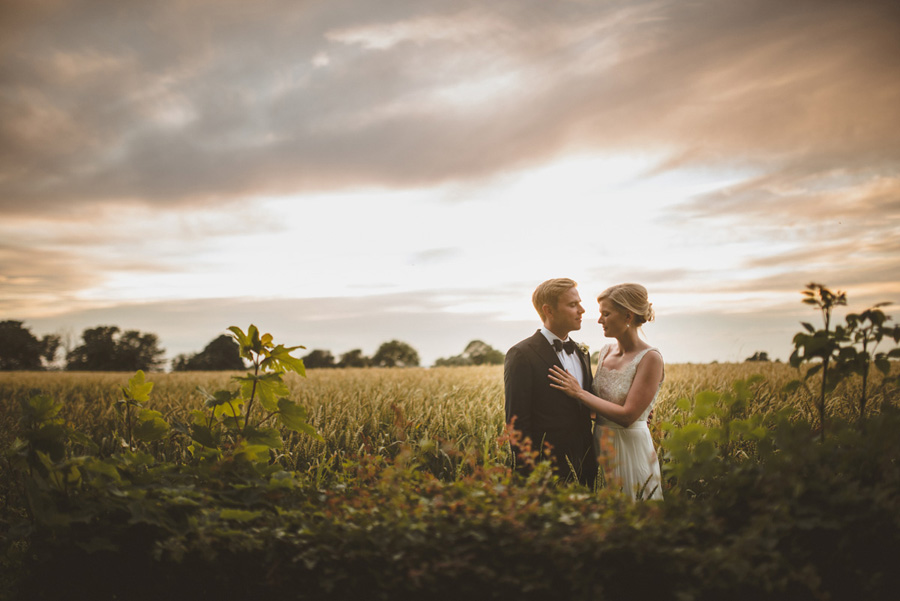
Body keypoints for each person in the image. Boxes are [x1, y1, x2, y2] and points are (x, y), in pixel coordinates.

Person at [548, 283, 664, 501]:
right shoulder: (605, 352)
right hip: (599, 445)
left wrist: (579, 393)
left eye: (606, 314)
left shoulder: (650, 358)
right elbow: (597, 411)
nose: (599, 320)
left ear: (628, 316)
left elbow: (628, 416)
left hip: (630, 449)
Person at [504, 278, 597, 488]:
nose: (582, 310)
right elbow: (516, 423)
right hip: (546, 470)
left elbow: (586, 407)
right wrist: (533, 473)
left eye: (580, 303)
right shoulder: (521, 354)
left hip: (586, 464)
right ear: (549, 310)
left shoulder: (583, 352)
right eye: (573, 305)